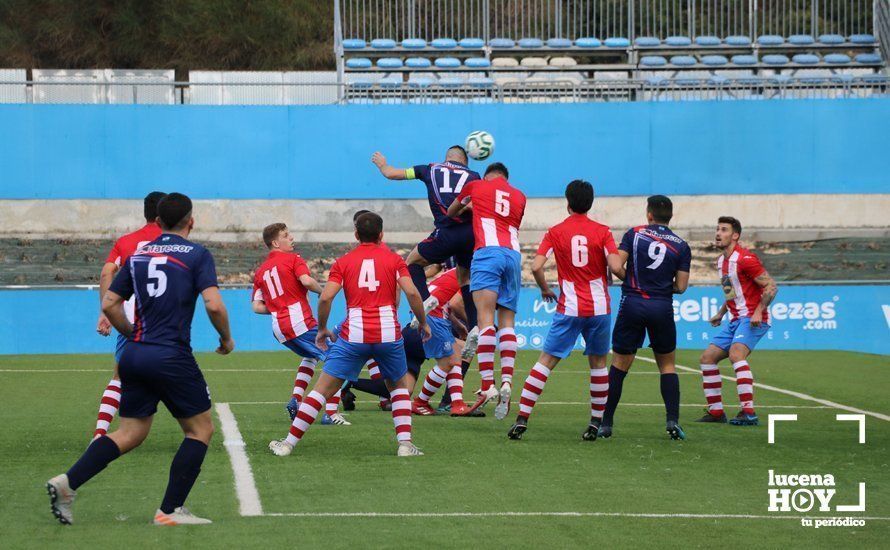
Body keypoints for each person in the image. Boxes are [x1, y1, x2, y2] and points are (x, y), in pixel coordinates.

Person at [47, 193, 234, 526]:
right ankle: (170, 510)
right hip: (171, 354)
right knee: (200, 430)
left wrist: (131, 332)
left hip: (134, 354)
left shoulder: (138, 255)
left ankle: (67, 483)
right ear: (192, 221)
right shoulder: (197, 254)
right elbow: (214, 304)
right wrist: (226, 337)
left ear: (158, 223)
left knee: (130, 432)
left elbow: (109, 303)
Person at [268, 212, 430, 457]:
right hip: (388, 334)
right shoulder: (394, 260)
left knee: (321, 390)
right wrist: (423, 322)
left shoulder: (343, 262)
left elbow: (325, 297)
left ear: (356, 235)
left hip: (354, 336)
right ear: (381, 234)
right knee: (398, 388)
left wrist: (322, 329)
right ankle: (405, 445)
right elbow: (413, 294)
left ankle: (288, 444)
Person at [507, 180, 623, 440]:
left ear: (567, 202)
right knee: (598, 365)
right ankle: (595, 422)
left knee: (545, 362)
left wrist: (545, 289)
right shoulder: (603, 231)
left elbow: (536, 266)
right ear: (590, 203)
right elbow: (616, 268)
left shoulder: (555, 231)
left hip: (569, 306)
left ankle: (522, 419)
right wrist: (626, 276)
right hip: (599, 308)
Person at [371, 147, 482, 355]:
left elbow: (393, 174)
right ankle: (475, 326)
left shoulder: (429, 169)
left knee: (412, 262)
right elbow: (479, 205)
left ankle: (425, 299)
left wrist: (382, 164)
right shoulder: (474, 176)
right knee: (465, 279)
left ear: (447, 158)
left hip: (446, 231)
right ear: (465, 162)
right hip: (470, 234)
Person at [598, 195, 692, 440]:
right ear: (670, 217)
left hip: (632, 303)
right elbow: (681, 286)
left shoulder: (634, 234)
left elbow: (616, 265)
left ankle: (605, 423)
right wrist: (660, 287)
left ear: (649, 214)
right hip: (661, 306)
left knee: (619, 363)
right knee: (667, 365)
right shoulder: (681, 245)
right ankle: (672, 421)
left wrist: (631, 280)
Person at [251, 223, 352, 424]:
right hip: (299, 323)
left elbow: (257, 307)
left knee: (311, 355)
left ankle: (295, 400)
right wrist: (323, 292)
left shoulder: (261, 271)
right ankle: (330, 413)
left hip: (279, 329)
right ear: (275, 242)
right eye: (286, 235)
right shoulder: (293, 259)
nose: (292, 238)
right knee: (338, 360)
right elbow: (306, 281)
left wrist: (279, 306)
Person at [446, 162, 526, 419]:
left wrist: (471, 206)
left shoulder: (476, 186)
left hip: (487, 253)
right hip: (513, 256)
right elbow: (505, 221)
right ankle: (507, 382)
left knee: (484, 320)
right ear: (506, 176)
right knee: (508, 323)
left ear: (488, 175)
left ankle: (486, 385)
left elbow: (451, 212)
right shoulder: (519, 196)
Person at [92, 191, 166, 439]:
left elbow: (106, 273)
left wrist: (106, 312)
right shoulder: (174, 241)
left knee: (119, 376)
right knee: (178, 373)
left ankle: (100, 433)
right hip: (163, 318)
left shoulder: (126, 241)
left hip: (130, 315)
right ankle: (197, 432)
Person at [696, 216, 777, 426]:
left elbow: (771, 287)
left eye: (723, 230)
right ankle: (716, 412)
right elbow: (731, 293)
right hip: (735, 319)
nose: (718, 233)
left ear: (735, 235)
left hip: (752, 318)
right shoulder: (721, 261)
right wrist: (721, 313)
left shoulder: (746, 259)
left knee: (736, 354)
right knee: (707, 358)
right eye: (717, 229)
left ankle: (748, 412)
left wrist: (759, 311)